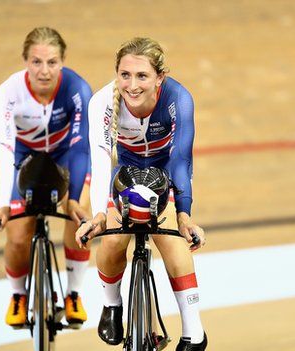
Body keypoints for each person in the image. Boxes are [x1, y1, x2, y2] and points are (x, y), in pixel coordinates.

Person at [75, 37, 207, 350]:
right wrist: (98, 214)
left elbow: (181, 159)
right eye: (125, 75)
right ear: (116, 74)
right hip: (125, 173)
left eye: (142, 76)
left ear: (159, 77)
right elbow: (101, 157)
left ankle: (195, 332)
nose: (132, 85)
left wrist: (185, 215)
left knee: (173, 241)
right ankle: (112, 304)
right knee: (112, 237)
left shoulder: (178, 98)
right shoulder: (102, 102)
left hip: (164, 171)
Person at [0, 27, 92, 327]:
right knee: (19, 236)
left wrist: (73, 200)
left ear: (62, 62)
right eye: (36, 62)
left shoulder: (77, 89)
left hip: (67, 156)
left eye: (52, 62)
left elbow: (81, 146)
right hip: (24, 159)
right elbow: (4, 151)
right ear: (25, 61)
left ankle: (73, 293)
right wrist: (3, 205)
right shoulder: (7, 94)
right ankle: (18, 295)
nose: (44, 71)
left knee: (79, 218)